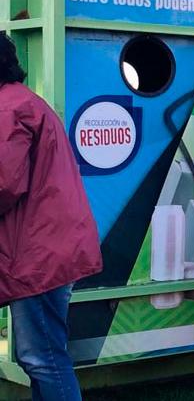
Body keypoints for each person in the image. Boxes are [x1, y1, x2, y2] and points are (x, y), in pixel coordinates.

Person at [0, 32, 103, 401]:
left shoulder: (7, 109)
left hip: (38, 254)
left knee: (42, 357)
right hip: (49, 247)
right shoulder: (22, 101)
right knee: (43, 356)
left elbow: (3, 184)